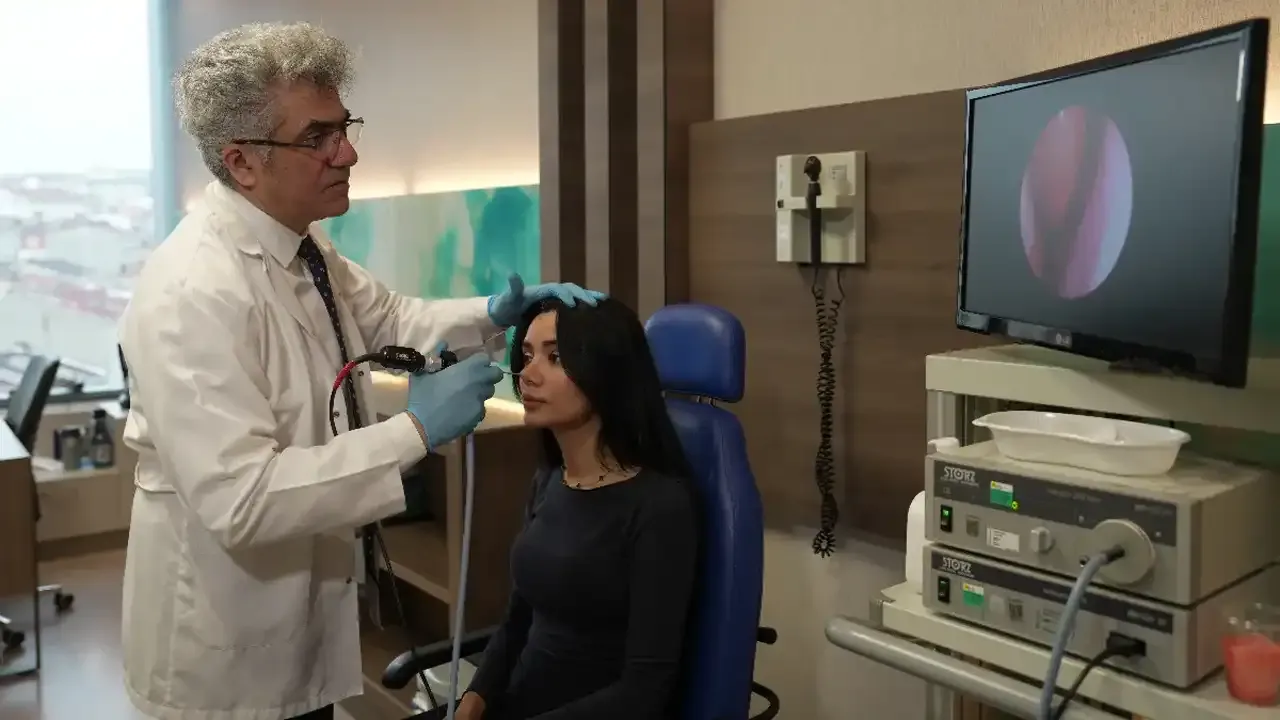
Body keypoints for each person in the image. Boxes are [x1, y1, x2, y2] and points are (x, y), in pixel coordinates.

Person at [117, 21, 602, 720]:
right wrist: (415, 430)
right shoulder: (191, 293)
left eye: (343, 127)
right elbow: (242, 498)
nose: (347, 152)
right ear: (243, 162)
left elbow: (389, 318)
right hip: (222, 658)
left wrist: (495, 313)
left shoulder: (303, 248)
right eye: (317, 137)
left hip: (297, 625)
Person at [454, 298, 700, 720]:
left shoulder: (660, 507)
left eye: (555, 358)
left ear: (605, 371)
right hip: (518, 701)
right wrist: (472, 700)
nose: (527, 374)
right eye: (527, 355)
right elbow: (518, 621)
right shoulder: (550, 480)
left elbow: (644, 689)